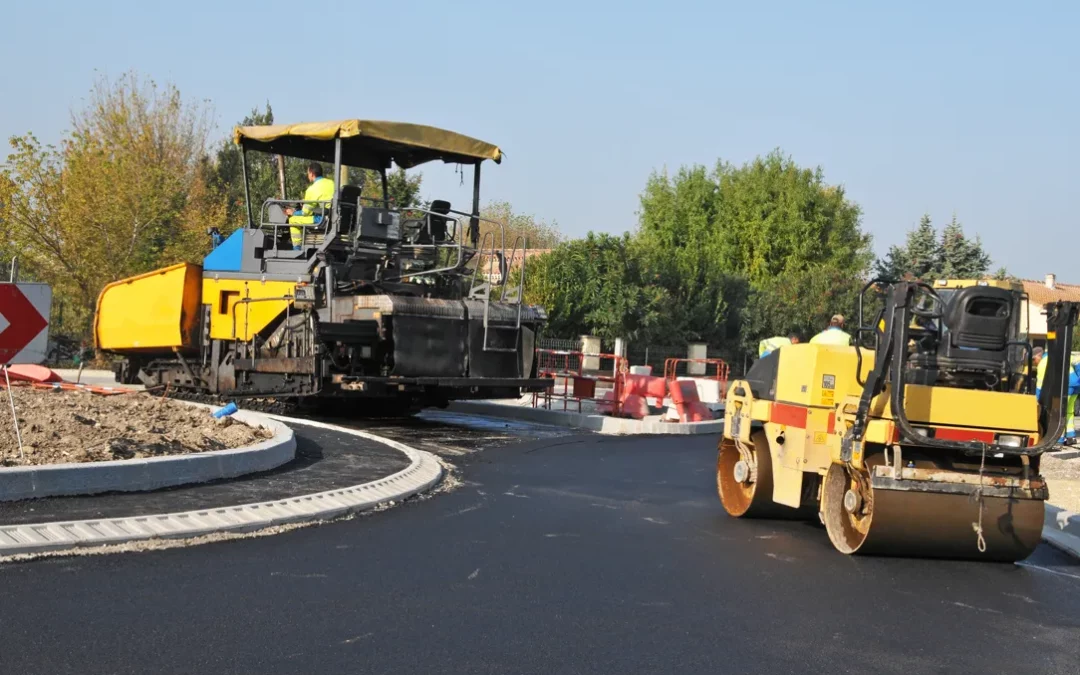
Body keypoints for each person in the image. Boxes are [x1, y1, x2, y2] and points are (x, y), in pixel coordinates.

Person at [284, 163, 336, 251]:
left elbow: (305, 213)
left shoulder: (312, 189)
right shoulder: (332, 183)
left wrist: (293, 212)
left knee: (292, 220)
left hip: (322, 220)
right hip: (333, 218)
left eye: (308, 173)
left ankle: (296, 249)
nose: (308, 175)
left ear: (311, 173)